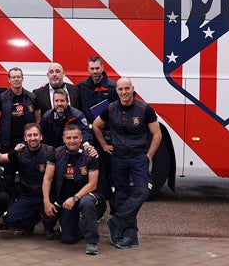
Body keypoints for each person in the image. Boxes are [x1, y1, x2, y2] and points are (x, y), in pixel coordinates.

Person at [92, 77, 162, 250]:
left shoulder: (145, 108)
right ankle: (130, 236)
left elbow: (157, 134)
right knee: (121, 196)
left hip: (139, 157)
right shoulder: (111, 108)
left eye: (127, 88)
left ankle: (117, 221)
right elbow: (95, 126)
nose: (124, 92)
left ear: (133, 89)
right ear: (116, 91)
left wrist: (149, 156)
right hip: (118, 158)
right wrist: (103, 145)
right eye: (120, 89)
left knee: (142, 190)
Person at [43, 125, 107, 255]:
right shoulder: (56, 153)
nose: (72, 141)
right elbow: (47, 179)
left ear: (81, 138)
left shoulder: (90, 155)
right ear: (63, 139)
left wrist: (75, 198)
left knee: (86, 203)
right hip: (67, 201)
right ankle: (80, 224)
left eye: (75, 137)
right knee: (68, 238)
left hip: (88, 196)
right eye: (69, 138)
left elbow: (93, 184)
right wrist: (46, 201)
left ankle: (92, 241)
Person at [77, 56, 119, 213]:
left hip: (107, 138)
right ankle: (98, 211)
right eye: (92, 69)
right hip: (88, 138)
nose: (94, 72)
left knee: (111, 176)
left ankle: (116, 212)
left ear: (102, 68)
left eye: (97, 68)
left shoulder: (112, 88)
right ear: (88, 70)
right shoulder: (81, 87)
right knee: (94, 176)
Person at [0, 124, 56, 238]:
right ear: (25, 138)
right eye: (29, 135)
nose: (32, 138)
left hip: (48, 195)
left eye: (35, 135)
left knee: (53, 211)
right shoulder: (19, 153)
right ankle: (33, 220)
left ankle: (49, 228)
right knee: (10, 219)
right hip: (28, 196)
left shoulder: (50, 151)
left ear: (41, 137)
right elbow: (3, 160)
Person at [0, 67, 40, 153]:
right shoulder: (1, 98)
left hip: (28, 142)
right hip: (8, 144)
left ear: (22, 78)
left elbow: (37, 120)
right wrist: (4, 136)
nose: (16, 79)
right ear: (9, 79)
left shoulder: (32, 97)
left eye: (18, 77)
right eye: (13, 77)